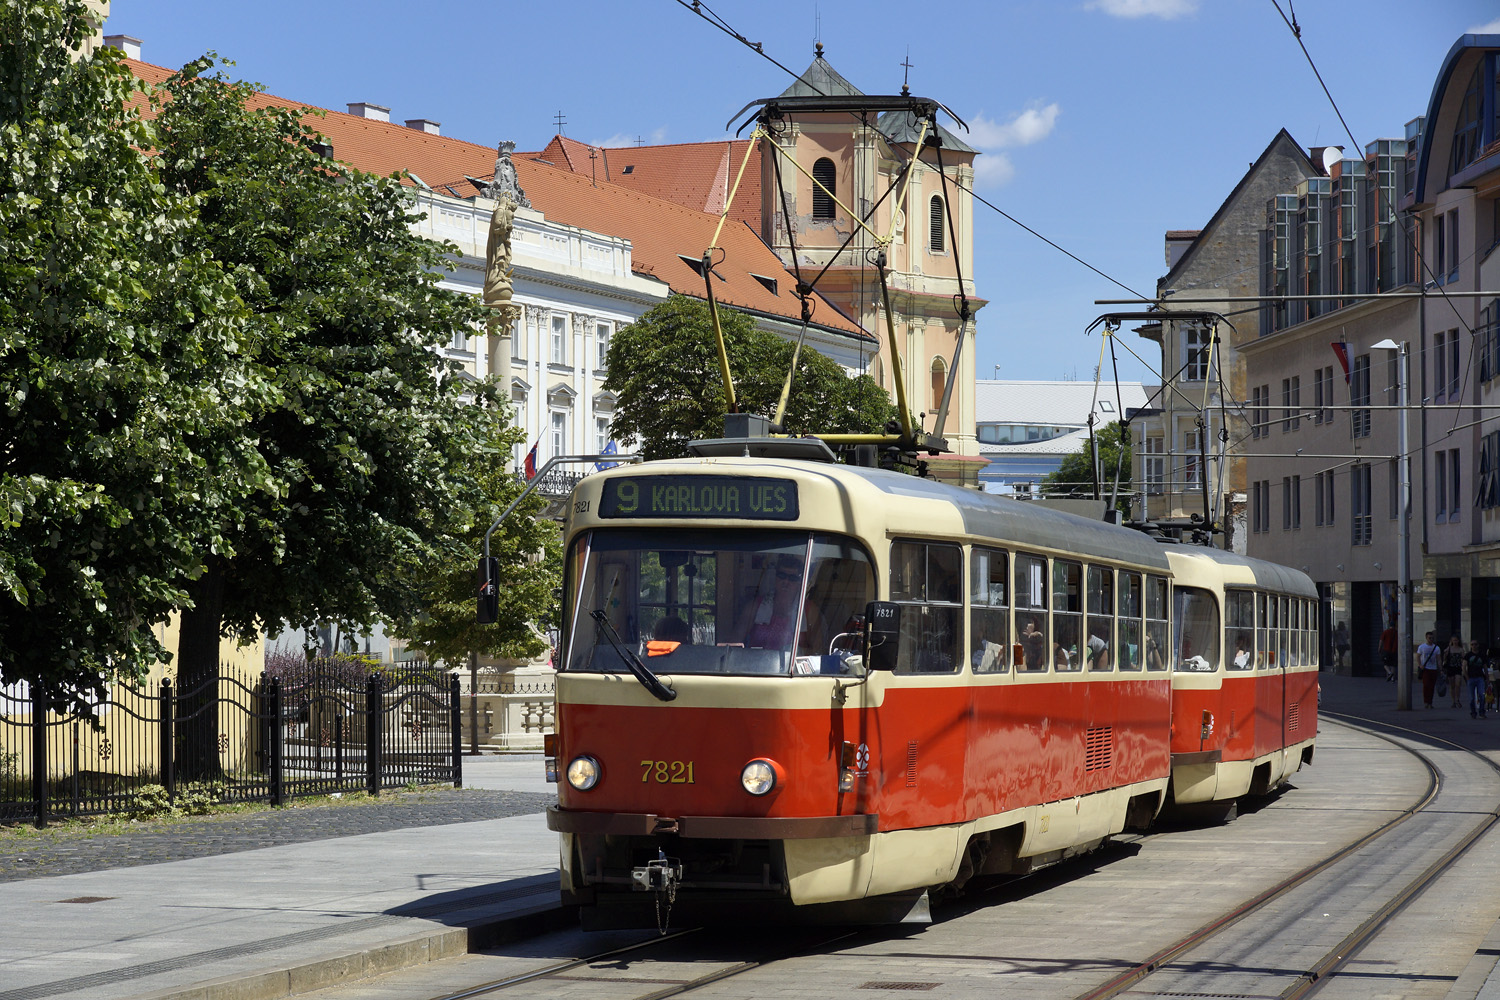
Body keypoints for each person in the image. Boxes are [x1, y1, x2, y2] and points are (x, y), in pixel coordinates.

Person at [1417, 631, 1441, 708]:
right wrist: (1420, 665)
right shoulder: (1422, 647)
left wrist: (1440, 668)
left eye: (1432, 638)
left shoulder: (1436, 648)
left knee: (1432, 686)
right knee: (1426, 685)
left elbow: (1438, 659)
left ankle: (1430, 702)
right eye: (1429, 638)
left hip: (1433, 669)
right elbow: (1418, 656)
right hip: (1425, 668)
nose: (1431, 639)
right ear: (1426, 638)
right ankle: (1426, 701)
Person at [1466, 640, 1488, 719]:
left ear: (1478, 645)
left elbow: (1485, 667)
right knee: (1471, 698)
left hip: (1480, 677)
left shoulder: (1482, 655)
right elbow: (1464, 666)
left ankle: (1482, 712)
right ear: (1470, 646)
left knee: (1482, 695)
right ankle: (1473, 712)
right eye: (1472, 644)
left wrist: (1487, 678)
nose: (1474, 646)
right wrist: (1467, 677)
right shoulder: (1468, 655)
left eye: (1475, 644)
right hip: (1471, 677)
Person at [1444, 634, 1466, 708]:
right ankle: (1453, 701)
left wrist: (1464, 667)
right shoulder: (1449, 648)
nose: (1455, 642)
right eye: (1453, 640)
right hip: (1450, 668)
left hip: (1458, 668)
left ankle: (1457, 699)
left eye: (1456, 640)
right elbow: (1445, 658)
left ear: (1458, 641)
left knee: (1458, 684)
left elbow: (1464, 658)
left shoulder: (1460, 649)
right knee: (1452, 685)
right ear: (1451, 641)